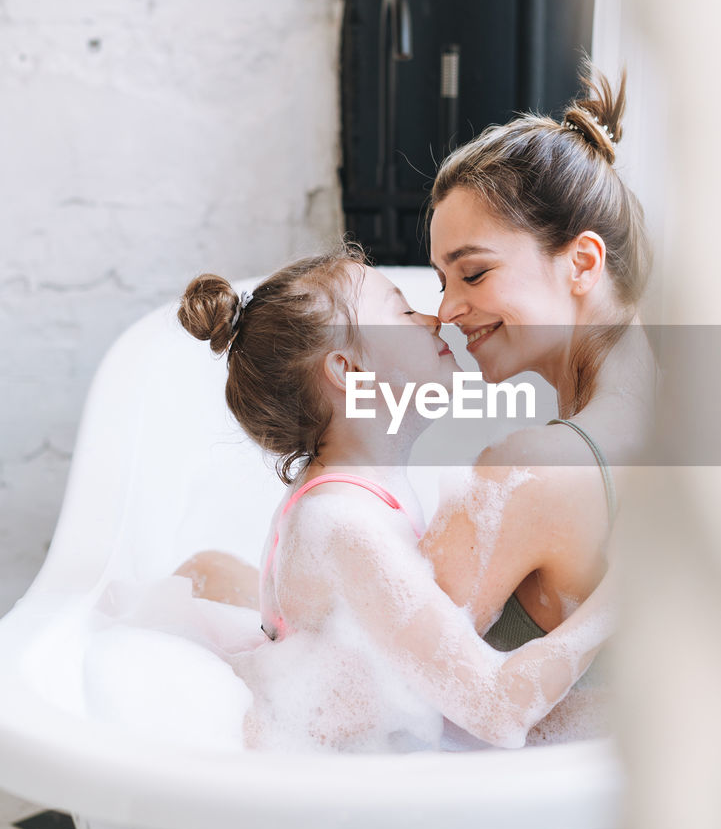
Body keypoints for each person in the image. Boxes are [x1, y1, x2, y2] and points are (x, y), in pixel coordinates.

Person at [177, 249, 612, 751]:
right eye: (402, 312)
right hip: (330, 790)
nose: (431, 318)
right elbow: (498, 711)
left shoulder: (351, 498)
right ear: (349, 370)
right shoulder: (343, 524)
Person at [421, 64, 655, 654]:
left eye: (473, 272)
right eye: (441, 280)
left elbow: (364, 682)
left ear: (581, 263)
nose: (446, 310)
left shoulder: (532, 469)